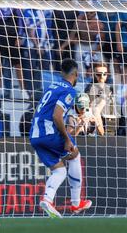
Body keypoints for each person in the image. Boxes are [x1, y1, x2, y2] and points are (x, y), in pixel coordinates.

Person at [29, 58, 92, 218]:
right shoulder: (70, 91)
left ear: (61, 73)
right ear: (76, 74)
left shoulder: (52, 86)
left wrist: (72, 128)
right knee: (74, 154)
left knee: (59, 171)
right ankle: (76, 203)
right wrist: (66, 139)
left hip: (35, 136)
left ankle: (47, 199)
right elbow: (57, 116)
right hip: (48, 132)